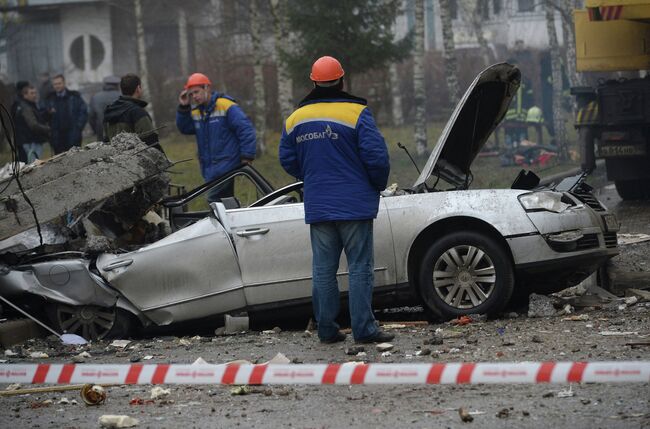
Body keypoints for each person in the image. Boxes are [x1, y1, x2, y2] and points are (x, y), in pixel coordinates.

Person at [279, 56, 393, 344]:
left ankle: (327, 329)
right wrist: (376, 185)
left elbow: (287, 159)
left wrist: (313, 175)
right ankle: (364, 330)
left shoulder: (295, 118)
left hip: (319, 204)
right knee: (359, 267)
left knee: (323, 270)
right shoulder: (357, 113)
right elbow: (376, 157)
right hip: (354, 204)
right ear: (342, 80)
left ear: (313, 81)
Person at [176, 72, 256, 202]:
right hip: (210, 168)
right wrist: (183, 107)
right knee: (225, 202)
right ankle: (234, 220)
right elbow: (185, 128)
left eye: (196, 92)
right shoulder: (197, 111)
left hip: (227, 165)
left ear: (207, 88)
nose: (194, 97)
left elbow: (245, 129)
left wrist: (247, 156)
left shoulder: (225, 105)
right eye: (190, 94)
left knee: (213, 199)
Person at [103, 73, 163, 152]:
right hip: (135, 161)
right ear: (138, 88)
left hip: (115, 161)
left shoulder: (110, 111)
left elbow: (106, 141)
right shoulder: (138, 112)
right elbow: (151, 142)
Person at [45, 74, 88, 154]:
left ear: (64, 83)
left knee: (75, 160)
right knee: (59, 162)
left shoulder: (74, 96)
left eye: (59, 83)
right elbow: (43, 116)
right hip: (57, 138)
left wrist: (78, 127)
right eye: (55, 84)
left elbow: (83, 112)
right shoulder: (49, 99)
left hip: (73, 135)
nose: (57, 86)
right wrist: (48, 112)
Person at [12, 84, 50, 163]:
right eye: (31, 93)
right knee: (34, 164)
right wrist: (48, 129)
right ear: (25, 95)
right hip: (31, 141)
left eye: (35, 93)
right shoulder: (26, 107)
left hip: (32, 140)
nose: (34, 95)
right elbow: (33, 125)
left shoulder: (30, 105)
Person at [89, 75, 120, 141]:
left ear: (104, 84)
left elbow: (91, 116)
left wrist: (96, 130)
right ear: (117, 85)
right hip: (120, 133)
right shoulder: (122, 96)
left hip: (101, 133)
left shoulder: (95, 98)